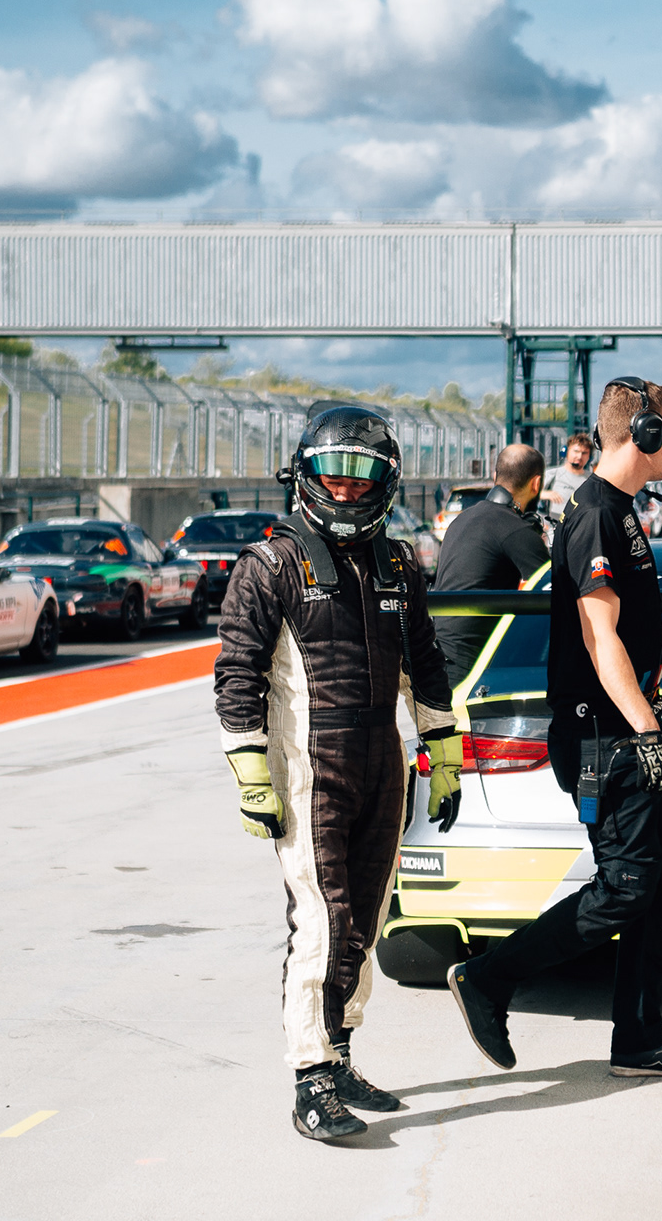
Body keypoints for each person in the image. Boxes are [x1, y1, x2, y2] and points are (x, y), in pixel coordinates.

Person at [446, 378, 662, 1081]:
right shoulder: (595, 514)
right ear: (645, 434)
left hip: (627, 726)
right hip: (608, 736)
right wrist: (648, 732)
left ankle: (639, 1040)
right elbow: (600, 637)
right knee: (625, 886)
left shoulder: (618, 510)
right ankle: (488, 978)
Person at [214, 406, 459, 1141]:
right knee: (323, 921)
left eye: (363, 479)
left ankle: (341, 1052)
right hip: (307, 770)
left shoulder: (398, 564)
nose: (348, 491)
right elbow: (237, 673)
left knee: (366, 922)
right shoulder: (269, 564)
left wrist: (444, 754)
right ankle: (310, 1080)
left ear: (386, 484)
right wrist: (251, 772)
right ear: (305, 476)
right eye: (335, 477)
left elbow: (426, 661)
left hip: (384, 762)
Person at [432, 443, 551, 687]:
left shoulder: (462, 519)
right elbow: (552, 593)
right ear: (536, 484)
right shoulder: (516, 529)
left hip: (437, 656)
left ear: (496, 477)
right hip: (472, 666)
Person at [542, 433, 593, 522]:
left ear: (590, 457)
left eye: (584, 453)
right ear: (566, 452)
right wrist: (542, 494)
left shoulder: (592, 480)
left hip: (580, 524)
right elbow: (527, 494)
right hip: (554, 523)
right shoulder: (552, 474)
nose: (579, 456)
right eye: (576, 451)